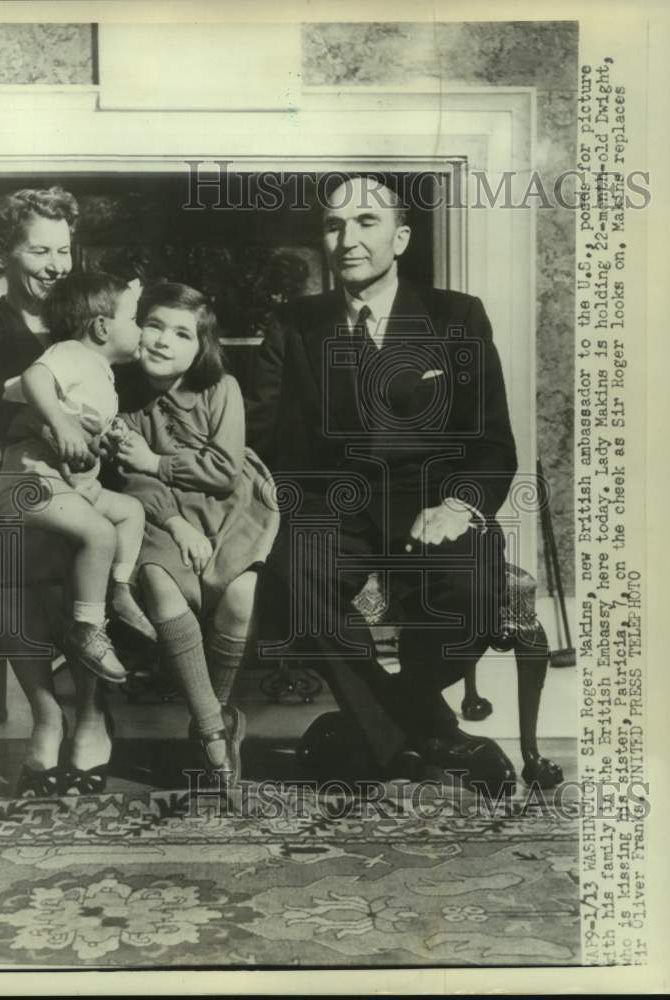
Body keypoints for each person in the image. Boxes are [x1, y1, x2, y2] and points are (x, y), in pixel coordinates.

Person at [246, 174, 519, 790]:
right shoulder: (294, 325)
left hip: (433, 501)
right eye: (334, 224)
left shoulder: (456, 316)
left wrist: (458, 505)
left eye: (366, 222)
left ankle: (376, 733)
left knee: (471, 589)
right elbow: (263, 444)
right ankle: (428, 735)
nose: (347, 238)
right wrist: (294, 506)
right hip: (330, 503)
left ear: (400, 237)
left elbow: (494, 442)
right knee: (295, 576)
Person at [0, 188, 116, 798]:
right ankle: (45, 713)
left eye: (65, 250)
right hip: (16, 484)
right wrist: (42, 421)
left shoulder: (87, 314)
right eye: (41, 250)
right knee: (5, 586)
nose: (58, 265)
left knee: (87, 583)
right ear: (2, 252)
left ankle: (91, 717)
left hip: (91, 480)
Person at [112, 281, 280, 789]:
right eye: (155, 325)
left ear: (199, 346)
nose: (164, 340)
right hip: (161, 513)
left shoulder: (220, 387)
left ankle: (217, 711)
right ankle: (212, 734)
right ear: (135, 329)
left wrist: (157, 460)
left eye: (182, 333)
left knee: (243, 592)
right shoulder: (120, 391)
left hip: (230, 506)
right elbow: (128, 477)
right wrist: (177, 522)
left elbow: (225, 471)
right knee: (162, 587)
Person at [0, 271, 156, 683]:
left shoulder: (102, 374)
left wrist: (105, 438)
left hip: (71, 486)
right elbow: (35, 379)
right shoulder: (70, 353)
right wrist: (61, 426)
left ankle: (118, 589)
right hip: (33, 482)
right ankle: (87, 627)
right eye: (135, 319)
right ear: (102, 327)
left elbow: (85, 429)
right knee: (101, 533)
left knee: (130, 511)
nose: (140, 330)